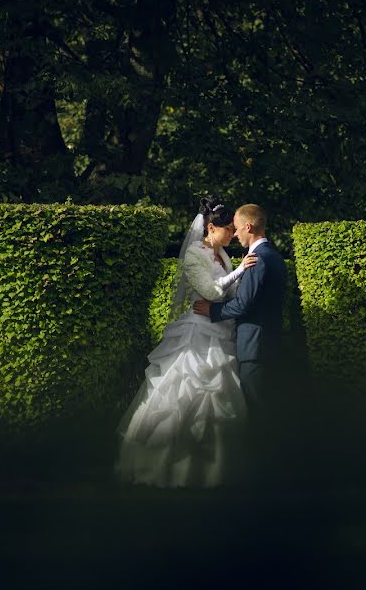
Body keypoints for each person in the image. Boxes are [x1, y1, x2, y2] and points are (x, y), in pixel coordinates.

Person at [114, 196, 258, 488]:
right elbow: (210, 291)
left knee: (220, 396)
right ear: (211, 228)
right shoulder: (196, 253)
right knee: (182, 394)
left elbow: (227, 294)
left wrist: (240, 277)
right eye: (228, 229)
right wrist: (241, 270)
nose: (232, 233)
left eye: (233, 229)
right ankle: (164, 469)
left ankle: (216, 471)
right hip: (197, 332)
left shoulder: (223, 255)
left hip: (220, 328)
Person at [193, 204, 287, 482]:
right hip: (265, 342)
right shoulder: (273, 256)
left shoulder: (260, 258)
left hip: (255, 346)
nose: (234, 235)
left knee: (258, 411)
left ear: (248, 227)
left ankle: (266, 475)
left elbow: (244, 304)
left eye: (236, 227)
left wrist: (213, 311)